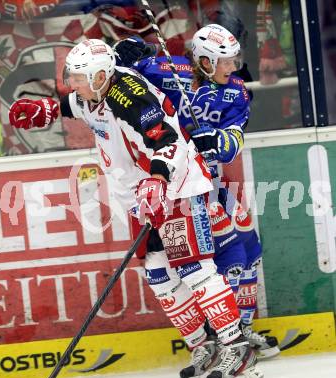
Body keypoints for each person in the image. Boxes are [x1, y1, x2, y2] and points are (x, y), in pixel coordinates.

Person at [8, 39, 262, 378]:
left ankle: (237, 349)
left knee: (195, 268)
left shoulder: (129, 97)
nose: (73, 84)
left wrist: (158, 179)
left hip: (176, 189)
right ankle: (204, 346)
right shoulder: (91, 94)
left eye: (79, 77)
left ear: (100, 76)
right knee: (159, 275)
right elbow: (74, 104)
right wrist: (47, 110)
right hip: (143, 199)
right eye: (74, 76)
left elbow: (169, 141)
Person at [114, 25, 280, 360]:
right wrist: (129, 50)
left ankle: (240, 329)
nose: (233, 68)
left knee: (249, 246)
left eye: (235, 60)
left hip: (211, 180)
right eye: (225, 62)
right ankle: (221, 336)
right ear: (204, 60)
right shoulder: (167, 69)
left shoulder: (235, 90)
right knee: (217, 258)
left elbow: (234, 138)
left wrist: (218, 142)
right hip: (177, 184)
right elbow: (116, 77)